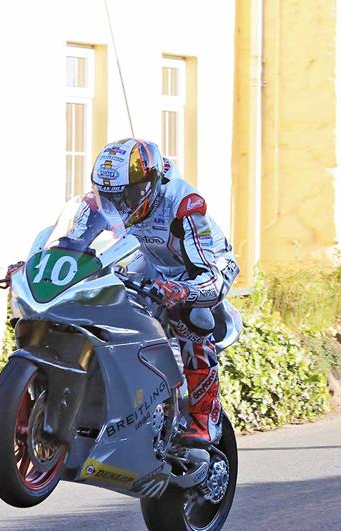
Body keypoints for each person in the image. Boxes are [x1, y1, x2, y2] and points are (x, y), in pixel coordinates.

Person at [90, 138, 238, 446]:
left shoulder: (184, 203)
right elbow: (71, 242)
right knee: (101, 296)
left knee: (193, 316)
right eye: (110, 196)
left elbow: (211, 277)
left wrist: (183, 291)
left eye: (127, 195)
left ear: (148, 184)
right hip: (154, 262)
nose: (119, 205)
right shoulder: (109, 201)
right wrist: (40, 260)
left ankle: (205, 416)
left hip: (205, 267)